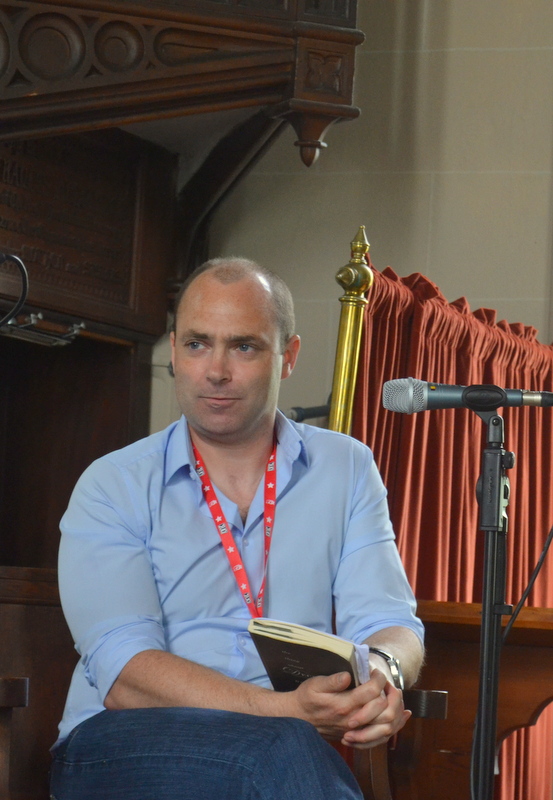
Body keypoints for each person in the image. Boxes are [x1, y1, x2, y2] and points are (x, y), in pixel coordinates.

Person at [50, 257, 425, 800]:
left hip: (283, 748)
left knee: (282, 749)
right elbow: (125, 674)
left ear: (288, 356)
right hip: (121, 742)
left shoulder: (346, 468)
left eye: (244, 347)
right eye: (197, 344)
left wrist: (383, 675)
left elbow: (390, 622)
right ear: (174, 350)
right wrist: (285, 710)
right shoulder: (113, 483)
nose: (216, 371)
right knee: (283, 746)